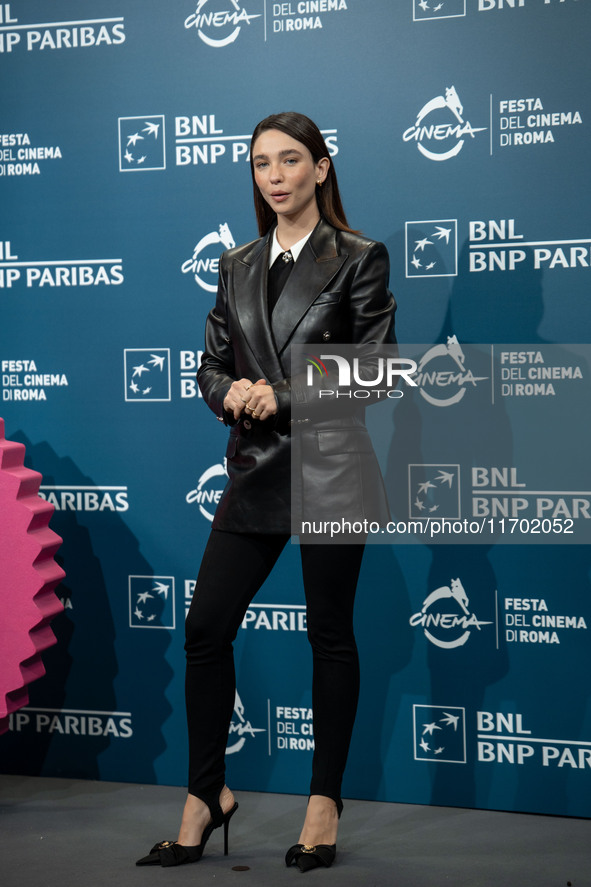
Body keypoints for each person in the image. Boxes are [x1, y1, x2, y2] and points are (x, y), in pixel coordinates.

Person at [136, 111, 395, 872]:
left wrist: (280, 394)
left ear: (320, 168)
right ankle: (205, 793)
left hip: (332, 470)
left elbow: (375, 370)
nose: (274, 175)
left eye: (289, 160)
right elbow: (210, 365)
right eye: (259, 164)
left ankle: (324, 801)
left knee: (329, 636)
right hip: (253, 472)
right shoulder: (235, 262)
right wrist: (231, 395)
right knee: (205, 629)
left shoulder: (359, 257)